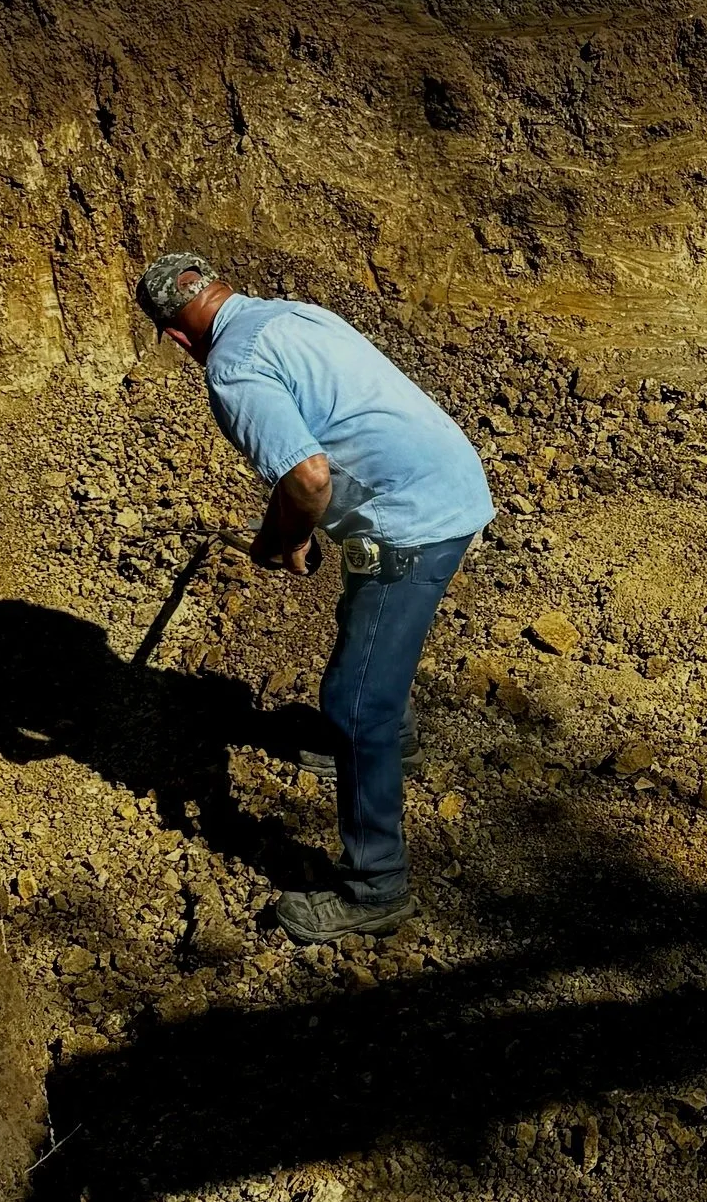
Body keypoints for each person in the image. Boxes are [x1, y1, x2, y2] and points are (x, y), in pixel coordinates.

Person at [133, 252, 494, 945]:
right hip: (447, 482)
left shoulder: (232, 368)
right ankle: (399, 741)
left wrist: (279, 538)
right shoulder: (287, 314)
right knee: (365, 616)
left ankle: (374, 887)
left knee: (355, 705)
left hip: (413, 526)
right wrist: (298, 529)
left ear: (176, 337)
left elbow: (306, 477)